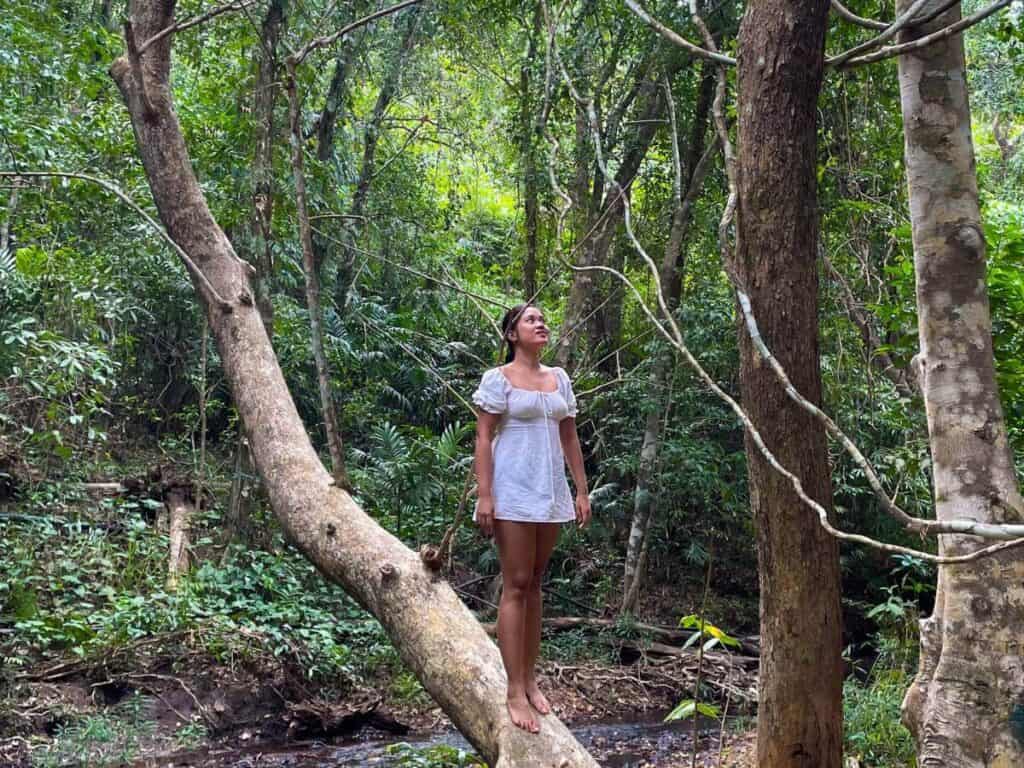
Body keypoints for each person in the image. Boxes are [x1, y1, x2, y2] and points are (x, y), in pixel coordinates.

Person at [472, 303, 591, 734]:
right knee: (516, 583)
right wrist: (485, 495)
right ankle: (513, 690)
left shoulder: (558, 378)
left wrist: (580, 489)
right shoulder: (497, 379)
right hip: (512, 490)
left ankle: (531, 678)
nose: (541, 324)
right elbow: (484, 437)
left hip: (550, 490)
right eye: (531, 320)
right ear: (511, 335)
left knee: (537, 584)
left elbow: (569, 434)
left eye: (543, 319)